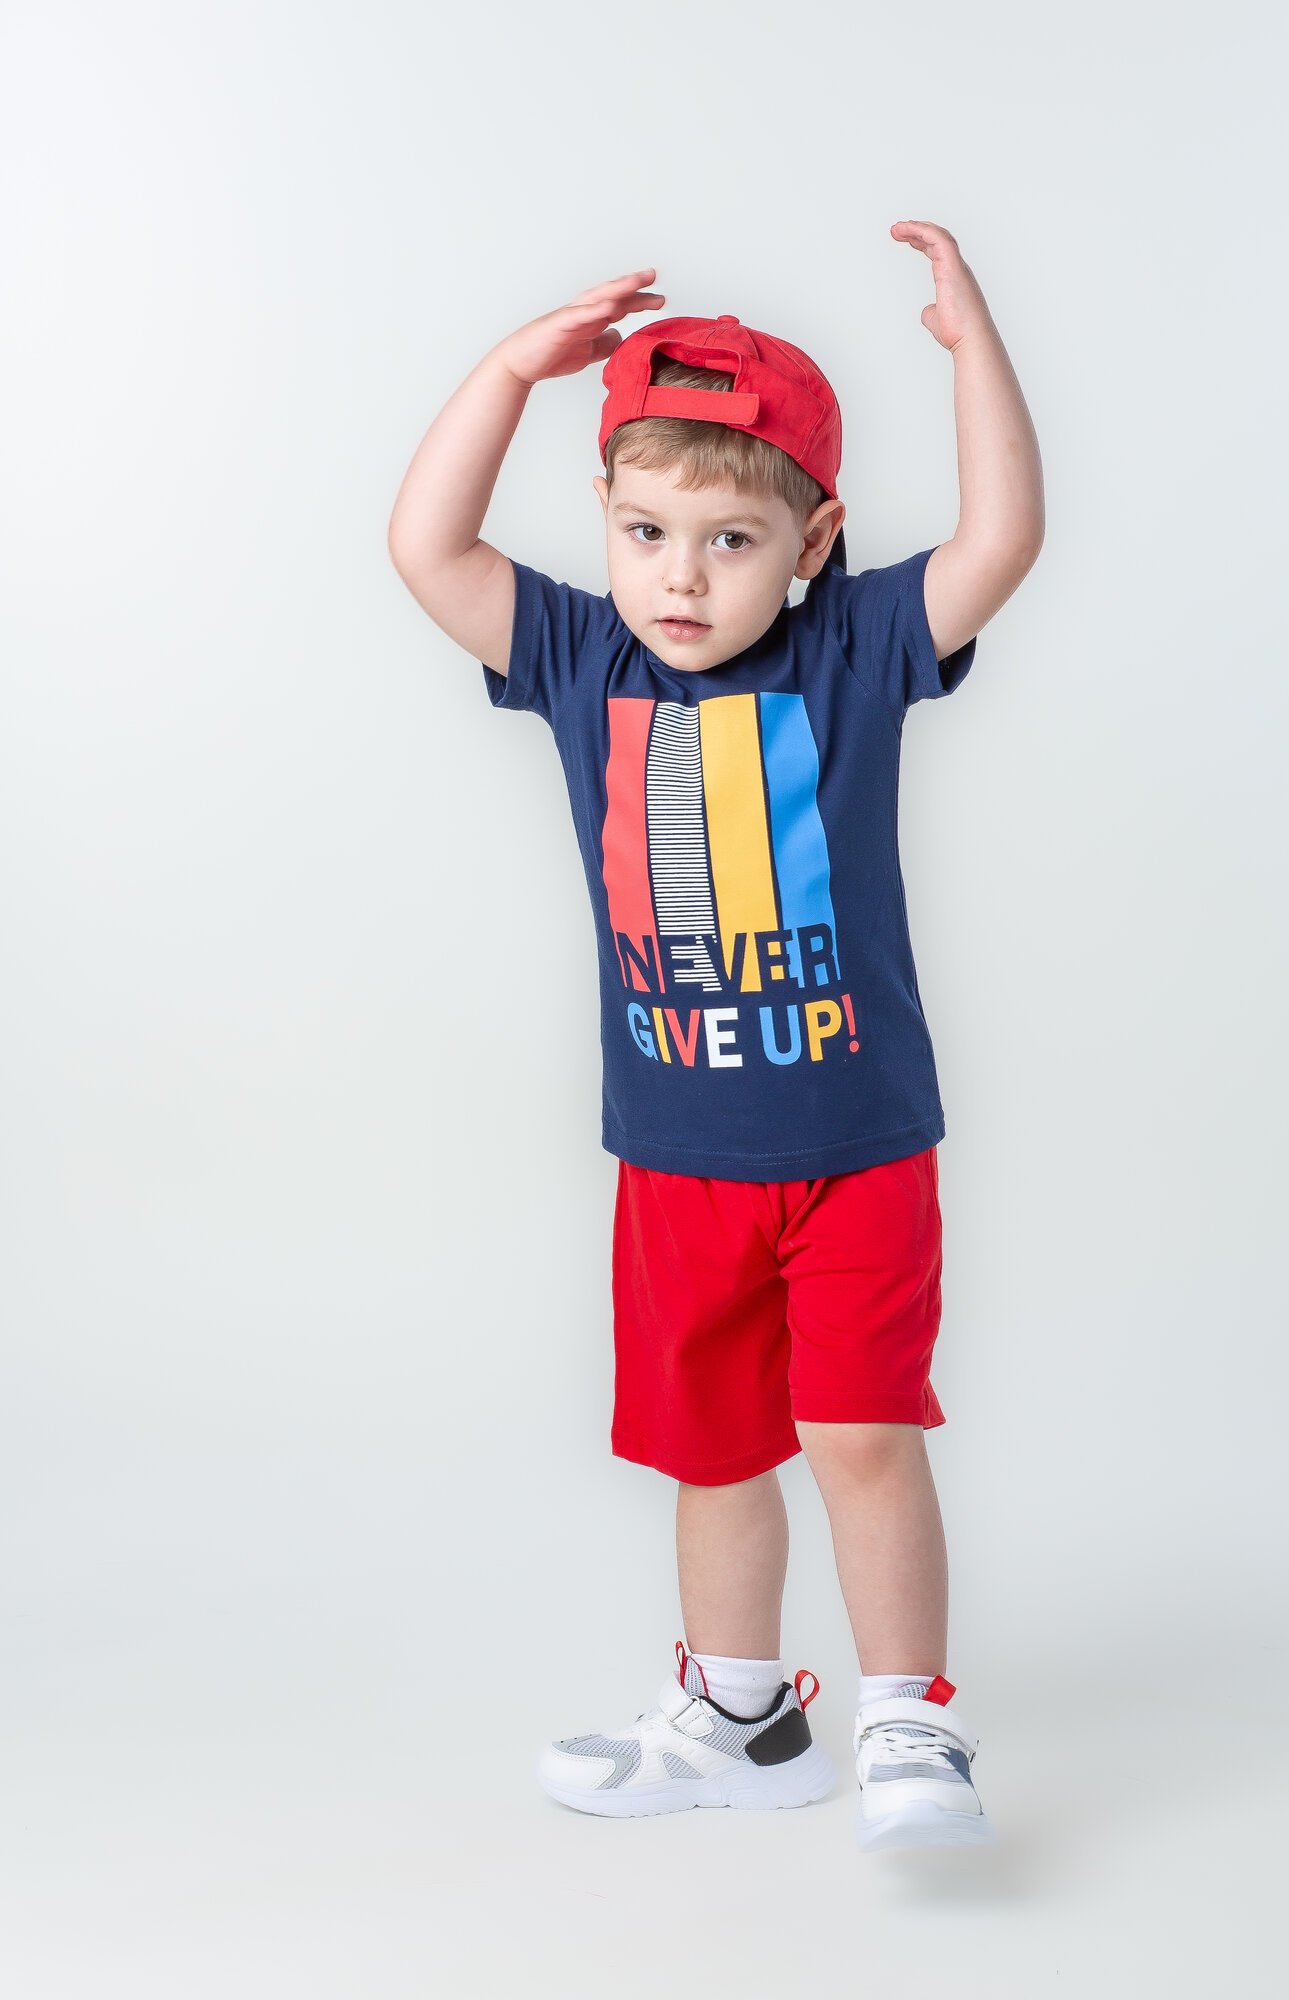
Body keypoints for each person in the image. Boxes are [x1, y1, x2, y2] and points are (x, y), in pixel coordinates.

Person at [388, 221, 1044, 1851]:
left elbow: (1002, 539)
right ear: (605, 521)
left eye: (731, 540)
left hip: (854, 1149)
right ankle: (743, 1719)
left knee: (862, 1436)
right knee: (714, 1452)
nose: (681, 578)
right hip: (678, 1159)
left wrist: (976, 353)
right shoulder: (578, 656)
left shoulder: (857, 648)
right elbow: (427, 547)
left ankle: (910, 1720)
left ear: (812, 542)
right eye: (646, 532)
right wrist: (508, 372)